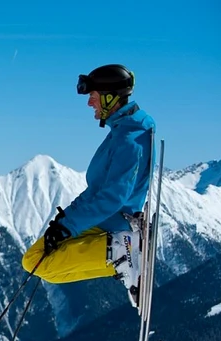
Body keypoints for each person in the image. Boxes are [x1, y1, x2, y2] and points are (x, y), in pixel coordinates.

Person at [22, 64, 156, 308]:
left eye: (93, 97)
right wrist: (64, 223)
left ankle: (122, 251)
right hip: (103, 219)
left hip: (113, 221)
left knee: (40, 262)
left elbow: (112, 197)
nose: (89, 104)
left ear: (108, 97)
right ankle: (122, 258)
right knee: (34, 261)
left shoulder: (130, 140)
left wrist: (69, 226)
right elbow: (97, 190)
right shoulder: (122, 131)